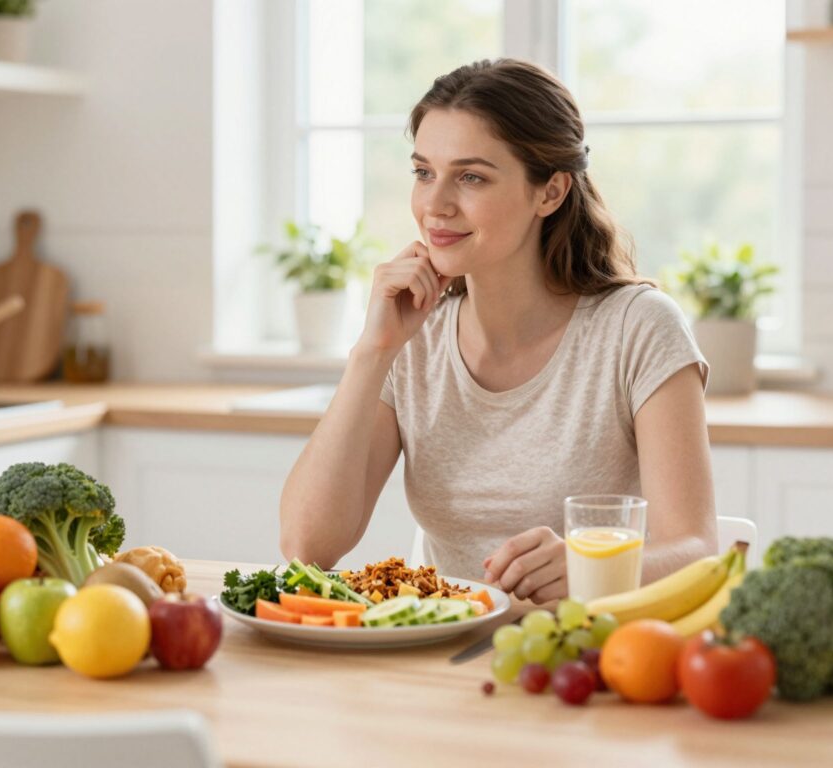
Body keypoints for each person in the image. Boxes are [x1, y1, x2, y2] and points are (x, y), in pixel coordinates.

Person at [280, 58, 716, 604]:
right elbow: (306, 545)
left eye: (470, 177)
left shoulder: (638, 328)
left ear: (550, 193)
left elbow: (696, 547)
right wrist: (372, 353)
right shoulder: (415, 338)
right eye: (423, 172)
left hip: (591, 657)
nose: (435, 205)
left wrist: (588, 565)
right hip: (453, 659)